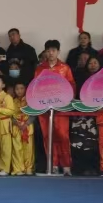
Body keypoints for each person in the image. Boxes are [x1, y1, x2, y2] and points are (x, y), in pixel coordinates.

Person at [34, 40, 75, 175]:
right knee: (48, 136)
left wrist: (66, 100)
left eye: (53, 50)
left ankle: (66, 166)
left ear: (58, 52)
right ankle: (53, 165)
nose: (51, 53)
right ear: (45, 52)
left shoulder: (65, 68)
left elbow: (71, 86)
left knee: (62, 135)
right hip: (44, 108)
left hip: (61, 108)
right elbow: (36, 86)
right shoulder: (40, 68)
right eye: (48, 51)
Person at [0, 75, 15, 176]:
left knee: (5, 148)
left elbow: (11, 111)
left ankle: (5, 169)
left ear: (3, 85)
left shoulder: (7, 97)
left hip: (4, 124)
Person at [11, 82, 35, 176]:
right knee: (17, 149)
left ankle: (28, 168)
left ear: (25, 89)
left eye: (21, 88)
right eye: (17, 89)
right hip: (16, 127)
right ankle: (18, 169)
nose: (19, 91)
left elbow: (34, 114)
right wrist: (16, 122)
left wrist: (26, 123)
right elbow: (10, 114)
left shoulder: (30, 101)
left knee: (28, 149)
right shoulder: (12, 101)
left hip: (27, 126)